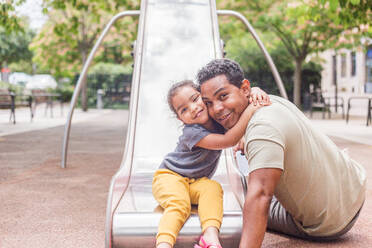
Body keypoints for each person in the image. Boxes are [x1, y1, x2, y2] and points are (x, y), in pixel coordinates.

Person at [197, 58, 366, 248]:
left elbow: (260, 195)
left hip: (328, 223)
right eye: (208, 103)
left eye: (223, 96)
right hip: (354, 190)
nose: (216, 109)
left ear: (245, 89)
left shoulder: (262, 129)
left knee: (242, 198)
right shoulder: (268, 101)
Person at [152, 80, 270, 248]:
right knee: (179, 204)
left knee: (213, 188)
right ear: (180, 119)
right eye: (184, 109)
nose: (193, 108)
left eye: (195, 99)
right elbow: (228, 140)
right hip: (169, 177)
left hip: (194, 182)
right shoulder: (191, 133)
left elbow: (239, 99)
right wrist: (251, 110)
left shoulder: (218, 120)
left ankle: (210, 237)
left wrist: (255, 90)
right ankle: (163, 243)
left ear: (205, 98)